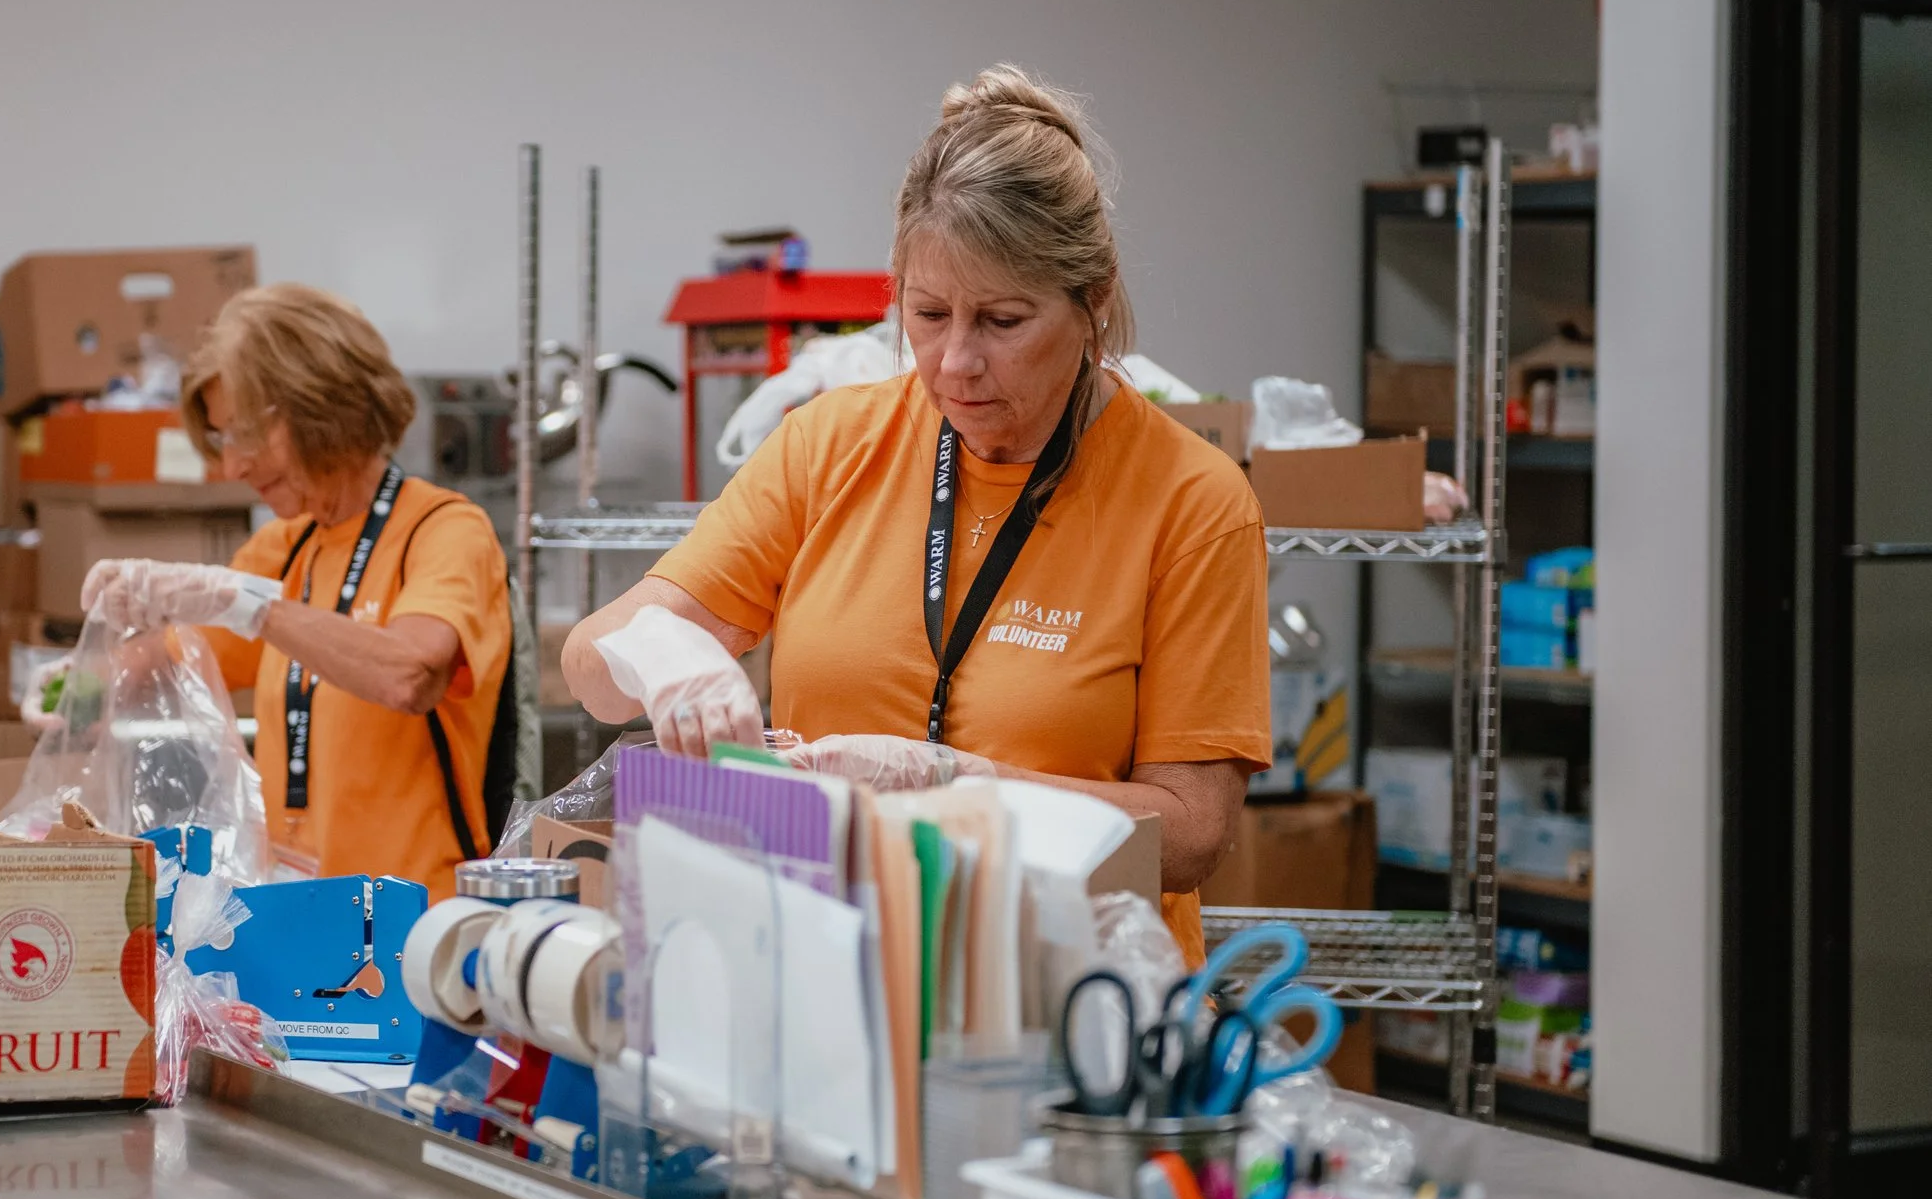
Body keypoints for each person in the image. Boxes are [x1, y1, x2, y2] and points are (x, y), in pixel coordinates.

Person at [564, 65, 1270, 964]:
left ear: (1093, 299)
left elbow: (1191, 835)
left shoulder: (1191, 503)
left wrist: (960, 787)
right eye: (927, 313)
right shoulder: (830, 446)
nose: (955, 363)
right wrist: (663, 655)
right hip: (828, 977)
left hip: (1071, 1003)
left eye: (1003, 321)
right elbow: (590, 667)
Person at [79, 284, 513, 895]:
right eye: (223, 440)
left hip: (411, 928)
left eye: (245, 434)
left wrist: (246, 604)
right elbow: (166, 659)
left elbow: (408, 674)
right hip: (296, 914)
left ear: (322, 407)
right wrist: (77, 685)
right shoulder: (286, 547)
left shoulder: (442, 531)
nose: (233, 467)